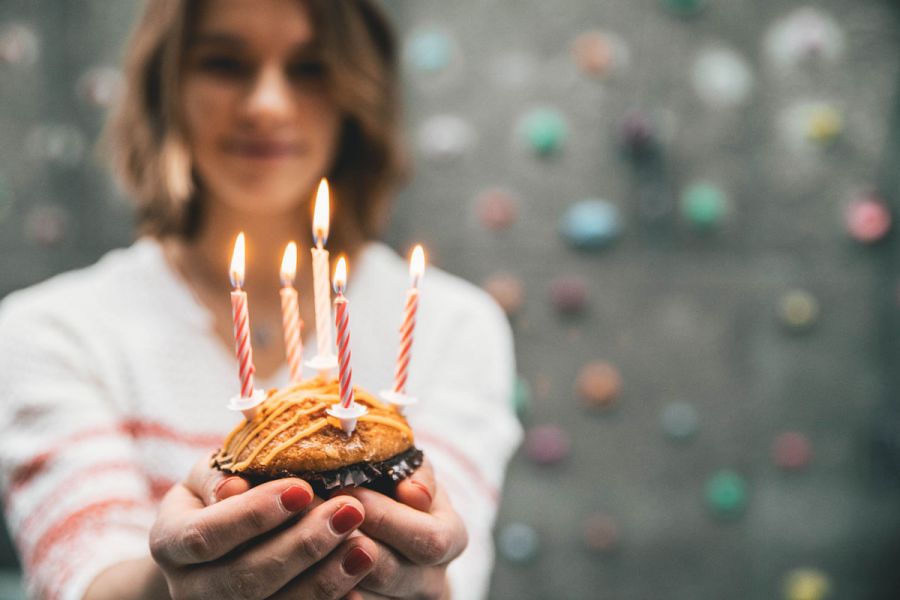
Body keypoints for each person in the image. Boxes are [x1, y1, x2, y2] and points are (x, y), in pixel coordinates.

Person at [0, 1, 522, 599]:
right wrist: (173, 580)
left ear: (358, 90)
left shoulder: (451, 325)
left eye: (310, 67)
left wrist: (423, 575)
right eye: (224, 63)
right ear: (166, 86)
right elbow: (79, 574)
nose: (267, 105)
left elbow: (452, 572)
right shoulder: (49, 330)